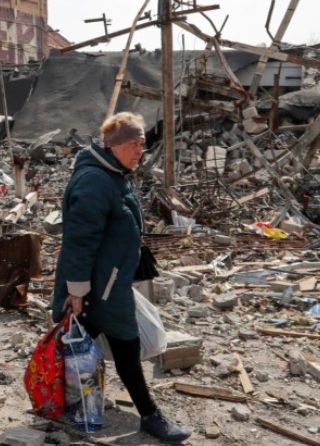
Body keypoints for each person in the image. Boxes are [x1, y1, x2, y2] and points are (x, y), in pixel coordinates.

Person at [51, 112, 190, 442]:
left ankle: (75, 403)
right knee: (125, 344)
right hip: (100, 288)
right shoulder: (95, 181)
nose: (139, 150)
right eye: (133, 143)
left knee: (80, 344)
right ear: (113, 145)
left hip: (107, 282)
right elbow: (79, 242)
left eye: (142, 143)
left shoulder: (113, 175)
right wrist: (78, 291)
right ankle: (149, 415)